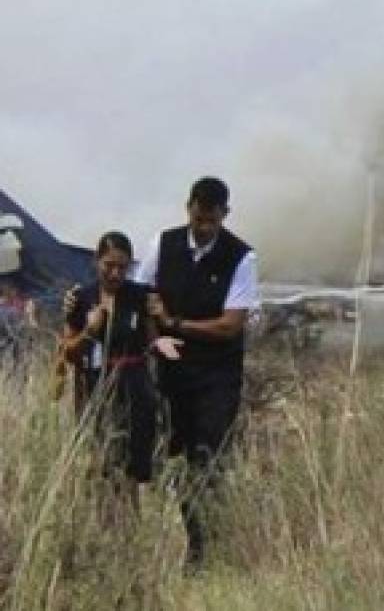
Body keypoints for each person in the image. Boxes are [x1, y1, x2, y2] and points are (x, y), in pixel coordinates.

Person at [136, 177, 259, 566]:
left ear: (225, 215)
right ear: (188, 208)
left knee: (206, 459)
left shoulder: (241, 257)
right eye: (198, 217)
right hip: (171, 371)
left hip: (215, 376)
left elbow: (230, 324)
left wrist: (176, 325)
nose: (203, 227)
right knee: (163, 456)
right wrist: (157, 338)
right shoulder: (164, 243)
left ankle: (204, 550)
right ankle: (164, 542)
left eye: (212, 220)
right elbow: (144, 296)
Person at [58, 232, 182, 501]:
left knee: (131, 469)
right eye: (109, 266)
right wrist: (90, 331)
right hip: (94, 388)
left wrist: (161, 342)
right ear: (96, 261)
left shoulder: (140, 296)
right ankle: (103, 528)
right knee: (99, 463)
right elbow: (68, 351)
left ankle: (129, 528)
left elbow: (152, 340)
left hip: (135, 388)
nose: (115, 273)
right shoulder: (80, 298)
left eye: (122, 267)